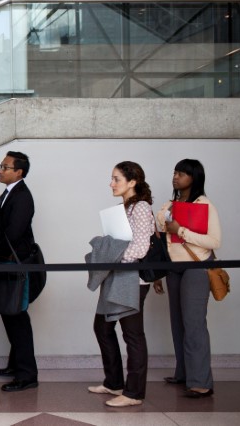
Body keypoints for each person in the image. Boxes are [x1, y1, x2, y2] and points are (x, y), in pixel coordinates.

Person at [87, 161, 154, 407]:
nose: (111, 183)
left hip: (132, 279)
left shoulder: (141, 208)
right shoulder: (122, 208)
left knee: (133, 335)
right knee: (102, 327)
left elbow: (140, 247)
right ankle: (114, 382)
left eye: (116, 179)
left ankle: (134, 393)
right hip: (117, 276)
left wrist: (113, 256)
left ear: (132, 182)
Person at [154, 159, 220, 398]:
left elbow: (214, 242)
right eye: (174, 172)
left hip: (196, 266)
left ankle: (201, 381)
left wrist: (180, 230)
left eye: (181, 173)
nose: (175, 176)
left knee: (194, 325)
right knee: (177, 323)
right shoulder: (171, 204)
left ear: (194, 177)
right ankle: (183, 373)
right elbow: (162, 237)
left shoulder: (205, 204)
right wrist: (158, 272)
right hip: (173, 267)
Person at [0, 151, 39, 392]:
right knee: (10, 315)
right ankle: (15, 365)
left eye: (5, 166)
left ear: (19, 171)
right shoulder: (9, 193)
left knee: (18, 317)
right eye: (1, 165)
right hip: (6, 264)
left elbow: (12, 233)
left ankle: (27, 375)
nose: (0, 169)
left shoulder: (22, 197)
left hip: (15, 265)